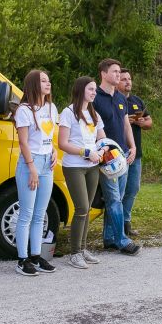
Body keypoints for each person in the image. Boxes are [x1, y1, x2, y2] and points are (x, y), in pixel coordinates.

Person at [92, 59, 141, 255]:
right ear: (103, 74)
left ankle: (110, 238)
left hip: (123, 154)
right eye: (114, 71)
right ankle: (122, 240)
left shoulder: (121, 98)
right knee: (113, 198)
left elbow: (126, 124)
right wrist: (103, 150)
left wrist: (133, 146)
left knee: (117, 198)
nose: (118, 75)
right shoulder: (94, 97)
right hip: (107, 157)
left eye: (119, 71)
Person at [13, 69, 58, 275]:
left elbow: (48, 137)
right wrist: (31, 167)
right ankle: (22, 259)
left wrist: (54, 151)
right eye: (43, 81)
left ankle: (36, 256)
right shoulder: (24, 110)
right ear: (33, 84)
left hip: (47, 163)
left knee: (41, 213)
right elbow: (23, 142)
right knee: (26, 214)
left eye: (49, 80)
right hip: (29, 163)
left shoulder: (51, 107)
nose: (48, 84)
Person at [58, 76, 107, 268]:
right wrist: (86, 152)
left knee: (87, 209)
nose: (94, 92)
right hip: (74, 166)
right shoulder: (68, 112)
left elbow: (102, 138)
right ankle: (75, 253)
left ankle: (83, 249)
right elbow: (63, 143)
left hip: (92, 167)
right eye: (90, 89)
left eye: (95, 89)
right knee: (81, 208)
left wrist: (101, 150)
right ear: (80, 90)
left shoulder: (94, 114)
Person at [117, 69, 152, 237]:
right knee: (118, 191)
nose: (127, 82)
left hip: (135, 153)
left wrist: (140, 122)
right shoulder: (114, 100)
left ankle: (126, 222)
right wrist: (125, 121)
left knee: (133, 188)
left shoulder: (137, 101)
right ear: (117, 82)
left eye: (129, 79)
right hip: (117, 153)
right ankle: (116, 225)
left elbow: (149, 122)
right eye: (123, 79)